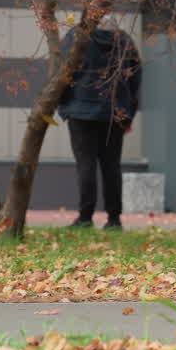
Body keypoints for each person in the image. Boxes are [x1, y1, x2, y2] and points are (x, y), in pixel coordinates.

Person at [57, 23, 141, 231]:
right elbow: (136, 79)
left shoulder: (75, 37)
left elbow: (62, 73)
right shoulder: (124, 40)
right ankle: (114, 219)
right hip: (114, 112)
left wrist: (65, 105)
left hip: (80, 111)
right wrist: (128, 114)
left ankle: (85, 218)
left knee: (86, 165)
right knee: (111, 166)